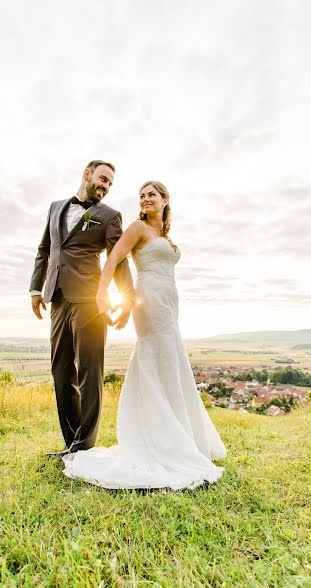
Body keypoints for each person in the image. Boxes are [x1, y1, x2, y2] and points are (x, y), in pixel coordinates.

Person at [63, 181, 227, 490]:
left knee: (171, 361)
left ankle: (181, 435)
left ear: (166, 200)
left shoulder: (163, 236)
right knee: (155, 357)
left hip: (169, 300)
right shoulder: (137, 228)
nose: (145, 198)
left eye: (152, 194)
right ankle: (160, 439)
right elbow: (113, 259)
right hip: (149, 299)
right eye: (142, 195)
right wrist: (103, 296)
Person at [29, 160, 135, 456]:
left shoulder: (110, 216)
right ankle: (72, 445)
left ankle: (85, 445)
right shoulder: (55, 207)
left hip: (91, 300)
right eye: (103, 178)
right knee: (61, 371)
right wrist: (36, 289)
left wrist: (127, 297)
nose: (106, 185)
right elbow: (45, 249)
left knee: (89, 372)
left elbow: (118, 258)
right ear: (86, 175)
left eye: (110, 183)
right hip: (58, 298)